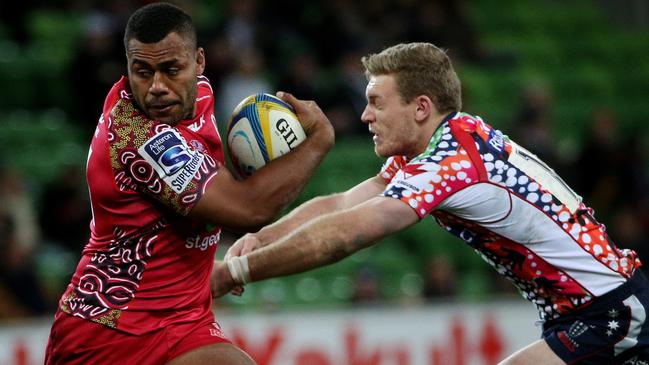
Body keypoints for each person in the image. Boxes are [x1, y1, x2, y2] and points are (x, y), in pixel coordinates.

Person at [213, 42, 649, 365]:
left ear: (421, 107)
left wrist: (236, 271)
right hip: (584, 311)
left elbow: (348, 234)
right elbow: (342, 203)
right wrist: (258, 237)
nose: (365, 116)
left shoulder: (451, 162)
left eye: (375, 102)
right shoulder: (444, 143)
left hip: (610, 310)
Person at [44, 3, 334, 365]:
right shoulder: (138, 137)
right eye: (142, 72)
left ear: (199, 63)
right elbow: (249, 209)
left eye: (171, 70)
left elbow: (212, 185)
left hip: (182, 316)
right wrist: (319, 140)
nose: (156, 88)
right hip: (110, 332)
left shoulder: (201, 96)